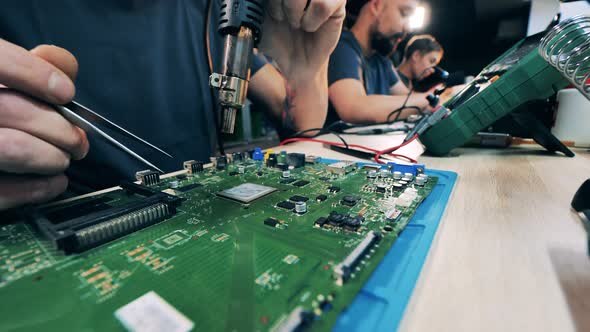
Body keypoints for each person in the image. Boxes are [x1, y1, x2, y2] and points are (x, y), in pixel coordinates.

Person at [0, 0, 345, 211]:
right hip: (69, 235)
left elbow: (301, 121)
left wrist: (308, 69)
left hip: (204, 214)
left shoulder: (214, 11)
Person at [325, 0, 432, 126]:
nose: (408, 28)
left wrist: (440, 95)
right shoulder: (341, 46)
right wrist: (429, 98)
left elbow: (407, 98)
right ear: (376, 6)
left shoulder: (382, 62)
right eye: (404, 13)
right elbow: (353, 108)